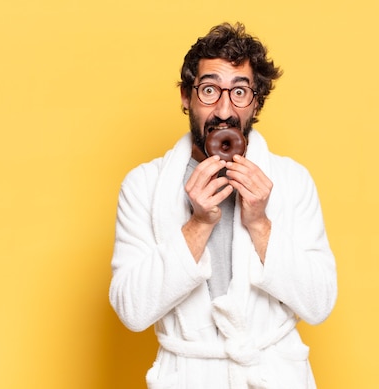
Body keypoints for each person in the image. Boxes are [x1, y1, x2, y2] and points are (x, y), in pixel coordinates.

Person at [109, 22, 337, 389]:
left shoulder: (292, 181)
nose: (224, 110)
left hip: (273, 374)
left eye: (241, 92)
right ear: (186, 96)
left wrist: (260, 222)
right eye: (210, 90)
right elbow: (132, 311)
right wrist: (198, 224)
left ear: (257, 101)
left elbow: (319, 303)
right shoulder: (143, 186)